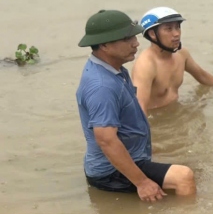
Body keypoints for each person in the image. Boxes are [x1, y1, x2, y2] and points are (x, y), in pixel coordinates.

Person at [76, 10, 196, 201]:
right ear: (105, 45)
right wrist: (142, 182)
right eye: (127, 39)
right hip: (109, 172)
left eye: (134, 36)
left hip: (130, 157)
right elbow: (106, 140)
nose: (136, 43)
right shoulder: (102, 86)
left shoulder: (113, 68)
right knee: (184, 177)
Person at [130, 6, 213, 112]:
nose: (176, 34)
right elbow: (139, 107)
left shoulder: (182, 54)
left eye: (177, 27)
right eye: (168, 29)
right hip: (157, 121)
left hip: (176, 112)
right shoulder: (146, 64)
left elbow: (203, 77)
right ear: (152, 34)